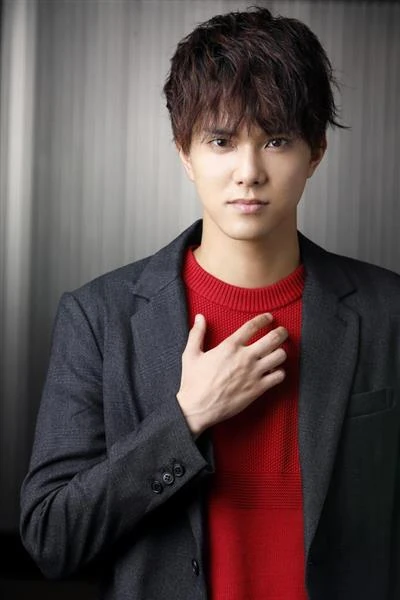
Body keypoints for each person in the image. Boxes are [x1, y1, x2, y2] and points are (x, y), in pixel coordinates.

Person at [20, 6, 400, 600]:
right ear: (184, 153)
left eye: (276, 140)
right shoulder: (99, 318)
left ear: (316, 153)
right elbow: (52, 539)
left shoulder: (388, 312)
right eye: (221, 141)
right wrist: (186, 418)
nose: (249, 172)